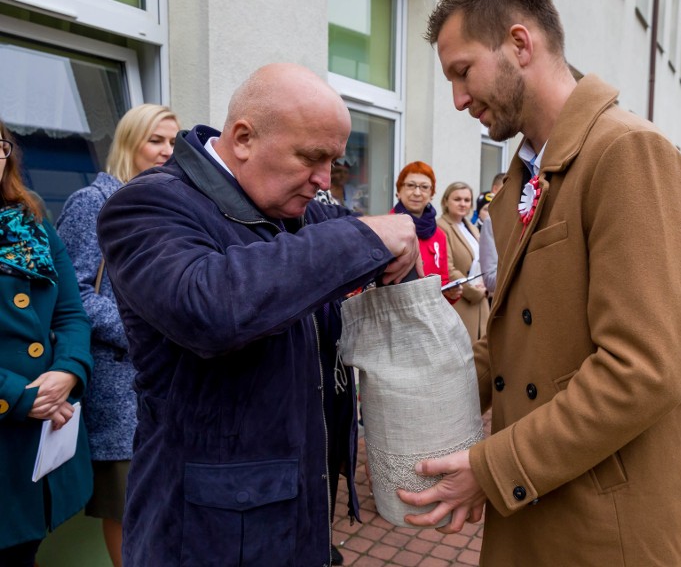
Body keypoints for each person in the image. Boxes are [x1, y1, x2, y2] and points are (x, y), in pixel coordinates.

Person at [397, 1, 681, 565]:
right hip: (546, 501)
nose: (457, 99)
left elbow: (644, 368)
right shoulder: (524, 176)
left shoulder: (628, 153)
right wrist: (412, 396)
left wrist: (493, 468)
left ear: (520, 45)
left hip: (615, 529)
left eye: (462, 71)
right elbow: (515, 342)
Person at [96, 63, 421, 567]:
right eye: (312, 158)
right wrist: (372, 237)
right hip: (203, 536)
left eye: (333, 161)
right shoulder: (145, 204)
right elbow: (209, 306)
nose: (324, 181)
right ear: (244, 138)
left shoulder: (296, 206)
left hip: (299, 521)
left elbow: (350, 243)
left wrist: (394, 248)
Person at [55, 103, 180, 567]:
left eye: (173, 141)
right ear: (129, 142)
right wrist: (144, 333)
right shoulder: (92, 202)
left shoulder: (159, 205)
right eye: (156, 141)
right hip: (118, 386)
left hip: (163, 384)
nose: (168, 151)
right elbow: (72, 297)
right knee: (128, 508)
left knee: (161, 503)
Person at [0, 119, 94, 565]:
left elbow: (72, 313)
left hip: (41, 434)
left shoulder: (32, 223)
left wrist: (68, 370)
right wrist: (16, 396)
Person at [392, 161, 462, 303]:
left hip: (428, 318)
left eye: (424, 187)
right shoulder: (386, 230)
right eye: (410, 185)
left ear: (432, 194)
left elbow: (443, 281)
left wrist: (451, 293)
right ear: (398, 191)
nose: (417, 193)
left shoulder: (439, 235)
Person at [438, 181, 490, 342]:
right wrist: (474, 292)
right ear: (446, 201)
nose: (463, 204)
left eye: (467, 200)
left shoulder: (471, 227)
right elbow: (448, 268)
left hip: (481, 299)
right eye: (457, 199)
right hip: (462, 300)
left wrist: (486, 285)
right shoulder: (440, 226)